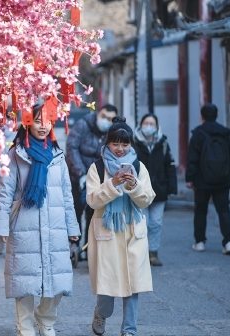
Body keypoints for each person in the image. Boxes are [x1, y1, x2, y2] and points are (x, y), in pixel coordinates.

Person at [0, 103, 80, 336]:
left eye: (49, 120)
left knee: (58, 279)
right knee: (24, 280)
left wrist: (72, 226)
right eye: (39, 120)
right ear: (28, 122)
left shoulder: (57, 156)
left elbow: (66, 194)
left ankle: (46, 319)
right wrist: (2, 226)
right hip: (24, 225)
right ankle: (26, 325)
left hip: (55, 226)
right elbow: (4, 194)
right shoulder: (15, 155)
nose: (44, 126)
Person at [85, 116, 156, 336]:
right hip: (107, 233)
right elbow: (92, 200)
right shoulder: (97, 168)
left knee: (133, 286)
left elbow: (147, 200)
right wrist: (113, 183)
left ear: (131, 145)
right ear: (107, 143)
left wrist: (134, 186)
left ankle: (129, 330)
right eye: (115, 143)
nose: (120, 149)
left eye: (124, 144)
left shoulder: (138, 166)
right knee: (107, 288)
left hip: (133, 232)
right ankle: (101, 313)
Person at [65, 104, 118, 265]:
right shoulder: (83, 125)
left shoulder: (113, 132)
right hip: (77, 176)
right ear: (97, 115)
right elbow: (72, 147)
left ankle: (89, 248)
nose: (106, 121)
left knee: (93, 213)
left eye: (110, 118)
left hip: (99, 180)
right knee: (76, 211)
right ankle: (73, 244)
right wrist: (81, 173)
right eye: (104, 116)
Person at [186, 103, 230, 255]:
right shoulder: (225, 134)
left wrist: (190, 178)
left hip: (201, 180)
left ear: (202, 117)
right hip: (223, 179)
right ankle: (229, 242)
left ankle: (199, 242)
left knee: (200, 211)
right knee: (223, 210)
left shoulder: (198, 134)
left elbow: (192, 158)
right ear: (216, 115)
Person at [133, 113, 177, 266]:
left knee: (156, 223)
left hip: (159, 190)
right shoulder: (134, 142)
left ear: (157, 127)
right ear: (140, 124)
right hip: (140, 191)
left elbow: (169, 167)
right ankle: (142, 253)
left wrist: (172, 189)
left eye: (152, 124)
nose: (149, 126)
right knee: (142, 224)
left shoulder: (163, 143)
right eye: (146, 123)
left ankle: (154, 253)